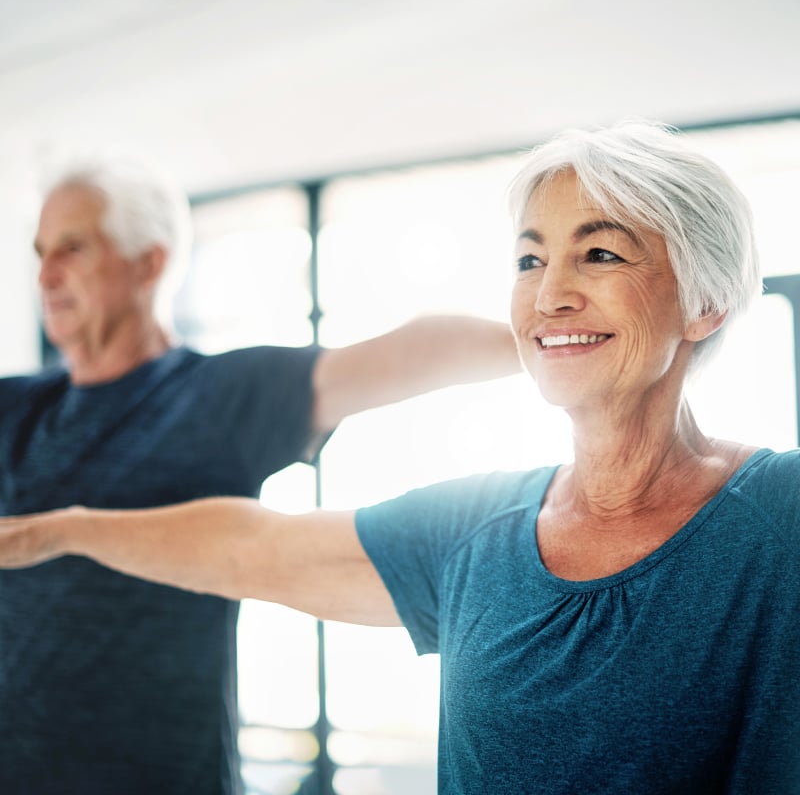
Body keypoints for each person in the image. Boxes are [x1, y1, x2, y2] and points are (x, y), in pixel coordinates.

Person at [2, 118, 797, 795]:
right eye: (529, 261)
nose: (549, 292)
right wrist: (60, 529)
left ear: (707, 301)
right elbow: (257, 546)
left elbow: (406, 352)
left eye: (601, 255)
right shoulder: (478, 529)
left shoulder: (782, 516)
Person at [0, 152, 521, 795]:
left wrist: (552, 342)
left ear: (148, 263)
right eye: (40, 251)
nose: (45, 274)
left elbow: (404, 353)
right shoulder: (14, 408)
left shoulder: (218, 395)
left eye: (72, 248)